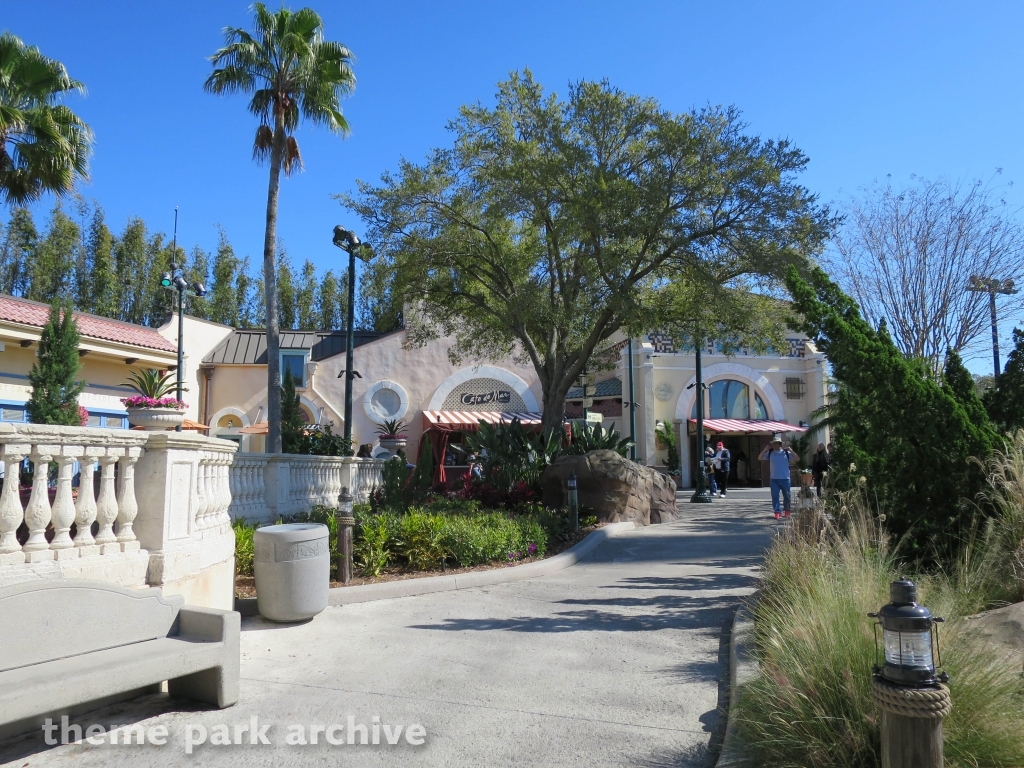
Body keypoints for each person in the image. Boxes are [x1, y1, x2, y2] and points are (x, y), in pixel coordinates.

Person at [758, 435, 795, 519]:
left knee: (787, 496)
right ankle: (777, 511)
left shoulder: (786, 453)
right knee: (775, 496)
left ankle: (787, 510)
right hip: (774, 478)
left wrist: (791, 451)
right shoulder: (770, 453)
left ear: (780, 444)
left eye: (776, 444)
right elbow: (759, 458)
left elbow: (797, 459)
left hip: (785, 478)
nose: (774, 445)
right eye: (773, 444)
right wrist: (764, 450)